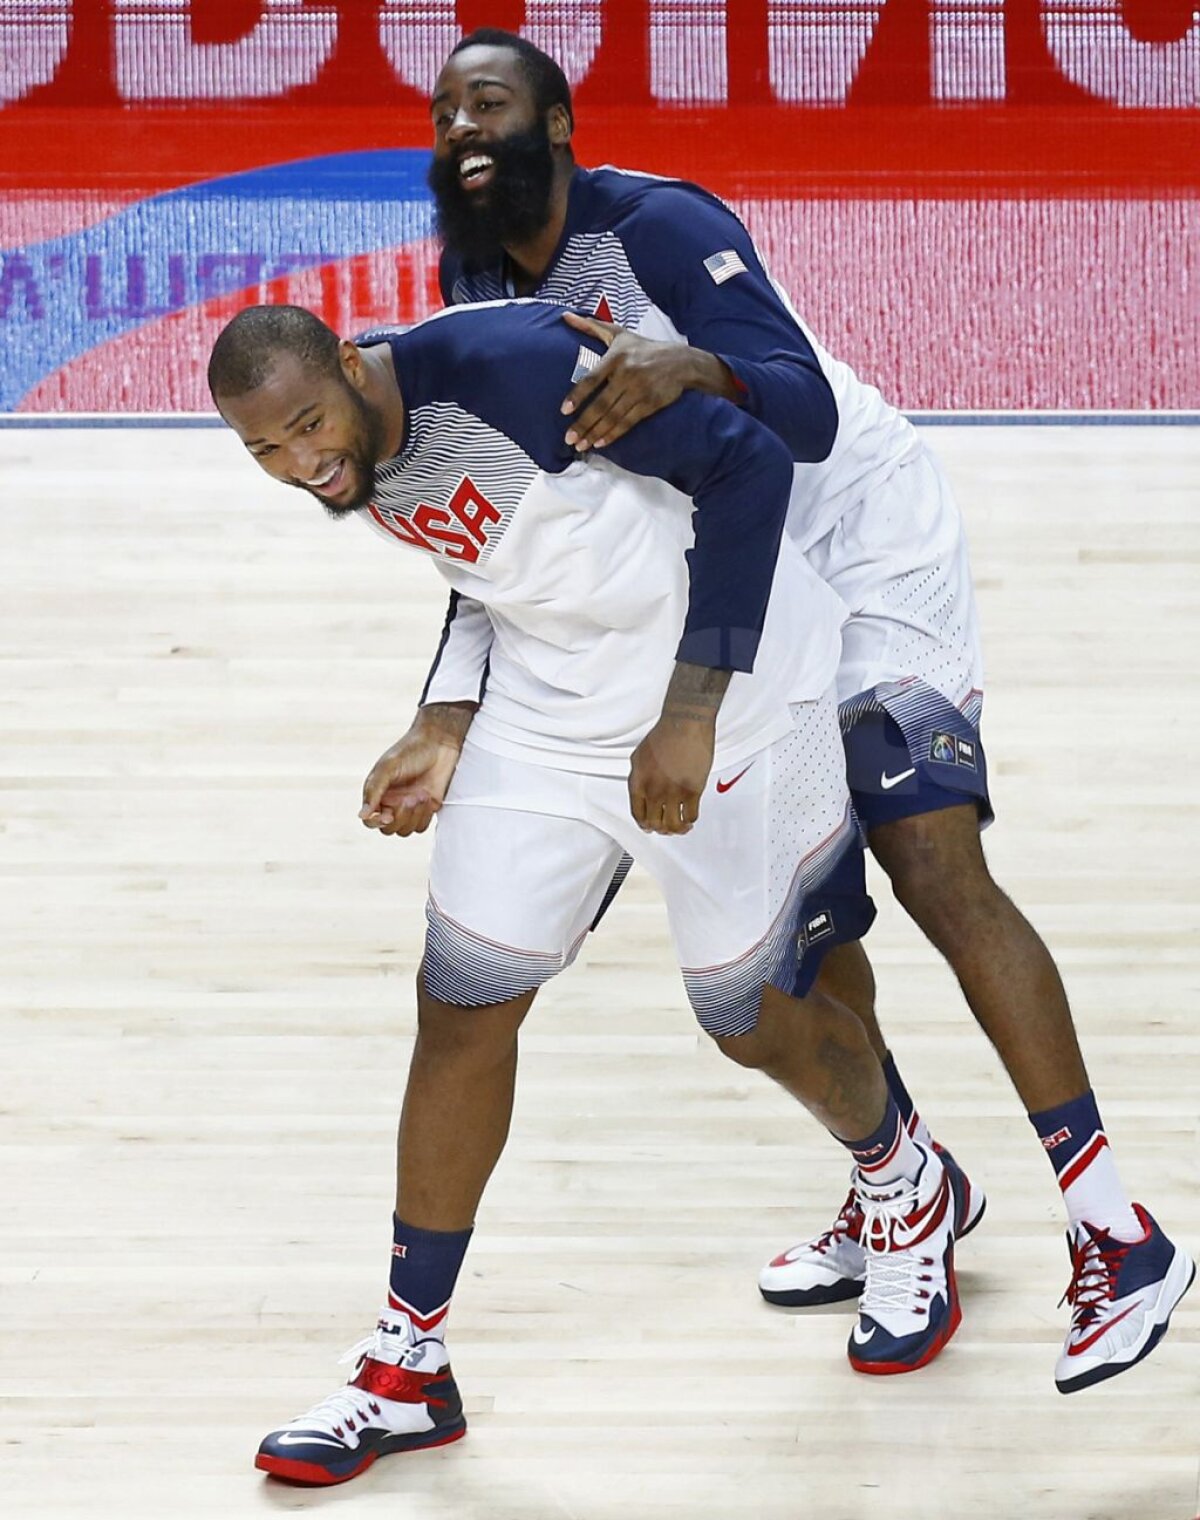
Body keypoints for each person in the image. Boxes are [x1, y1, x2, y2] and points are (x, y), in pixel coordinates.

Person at [420, 27, 1194, 1394]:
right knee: (806, 902)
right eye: (441, 113)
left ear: (558, 120)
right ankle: (903, 1192)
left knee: (934, 858)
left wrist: (697, 369)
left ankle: (1116, 1227)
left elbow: (809, 417)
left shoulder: (655, 224)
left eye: (488, 100)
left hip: (860, 544)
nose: (461, 128)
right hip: (735, 581)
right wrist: (457, 706)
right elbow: (498, 530)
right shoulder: (478, 289)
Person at [210, 298, 976, 1485]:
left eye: (308, 425)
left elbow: (751, 470)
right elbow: (486, 561)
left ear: (352, 367)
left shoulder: (515, 372)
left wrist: (688, 710)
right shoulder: (359, 456)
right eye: (264, 450)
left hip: (739, 698)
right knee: (461, 1004)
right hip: (553, 712)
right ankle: (410, 1361)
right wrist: (443, 713)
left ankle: (904, 1177)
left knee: (748, 1014)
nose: (301, 462)